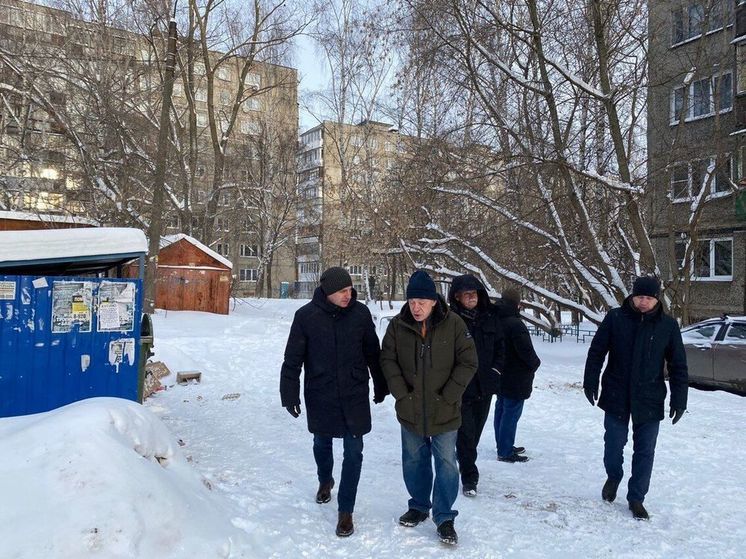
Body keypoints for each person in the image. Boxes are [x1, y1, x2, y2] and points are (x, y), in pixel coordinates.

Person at [280, 266, 389, 537]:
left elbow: (373, 353)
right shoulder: (305, 317)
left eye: (350, 289)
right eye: (342, 291)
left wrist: (381, 383)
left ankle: (346, 511)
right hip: (321, 391)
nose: (348, 295)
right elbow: (293, 360)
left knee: (354, 452)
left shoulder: (361, 313)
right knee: (322, 442)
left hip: (354, 393)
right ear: (328, 292)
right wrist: (289, 394)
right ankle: (325, 480)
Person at [380, 270, 477, 546]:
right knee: (413, 460)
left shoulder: (454, 324)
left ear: (434, 301)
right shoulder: (398, 326)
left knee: (446, 463)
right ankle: (419, 505)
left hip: (444, 410)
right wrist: (402, 394)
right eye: (412, 301)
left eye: (422, 301)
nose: (416, 307)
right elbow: (387, 359)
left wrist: (449, 395)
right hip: (410, 410)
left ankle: (444, 516)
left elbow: (469, 361)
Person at [583, 275, 688, 520]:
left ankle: (636, 498)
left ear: (657, 299)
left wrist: (679, 399)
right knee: (613, 443)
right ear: (632, 295)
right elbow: (597, 352)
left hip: (650, 397)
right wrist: (590, 381)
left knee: (645, 451)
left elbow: (678, 365)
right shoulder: (616, 318)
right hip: (616, 393)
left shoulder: (668, 326)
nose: (643, 302)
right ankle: (614, 475)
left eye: (649, 298)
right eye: (640, 296)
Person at [447, 274, 505, 497]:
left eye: (474, 293)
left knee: (475, 432)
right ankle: (469, 477)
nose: (471, 298)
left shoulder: (490, 318)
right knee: (466, 433)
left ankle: (465, 459)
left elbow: (501, 348)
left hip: (485, 385)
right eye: (466, 294)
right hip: (462, 386)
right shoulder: (452, 320)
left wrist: (496, 371)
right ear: (458, 297)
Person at [494, 287, 541, 463]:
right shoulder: (515, 324)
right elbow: (526, 351)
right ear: (517, 304)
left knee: (501, 408)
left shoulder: (496, 319)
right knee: (511, 412)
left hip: (500, 372)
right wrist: (535, 364)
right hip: (516, 375)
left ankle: (502, 445)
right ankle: (505, 450)